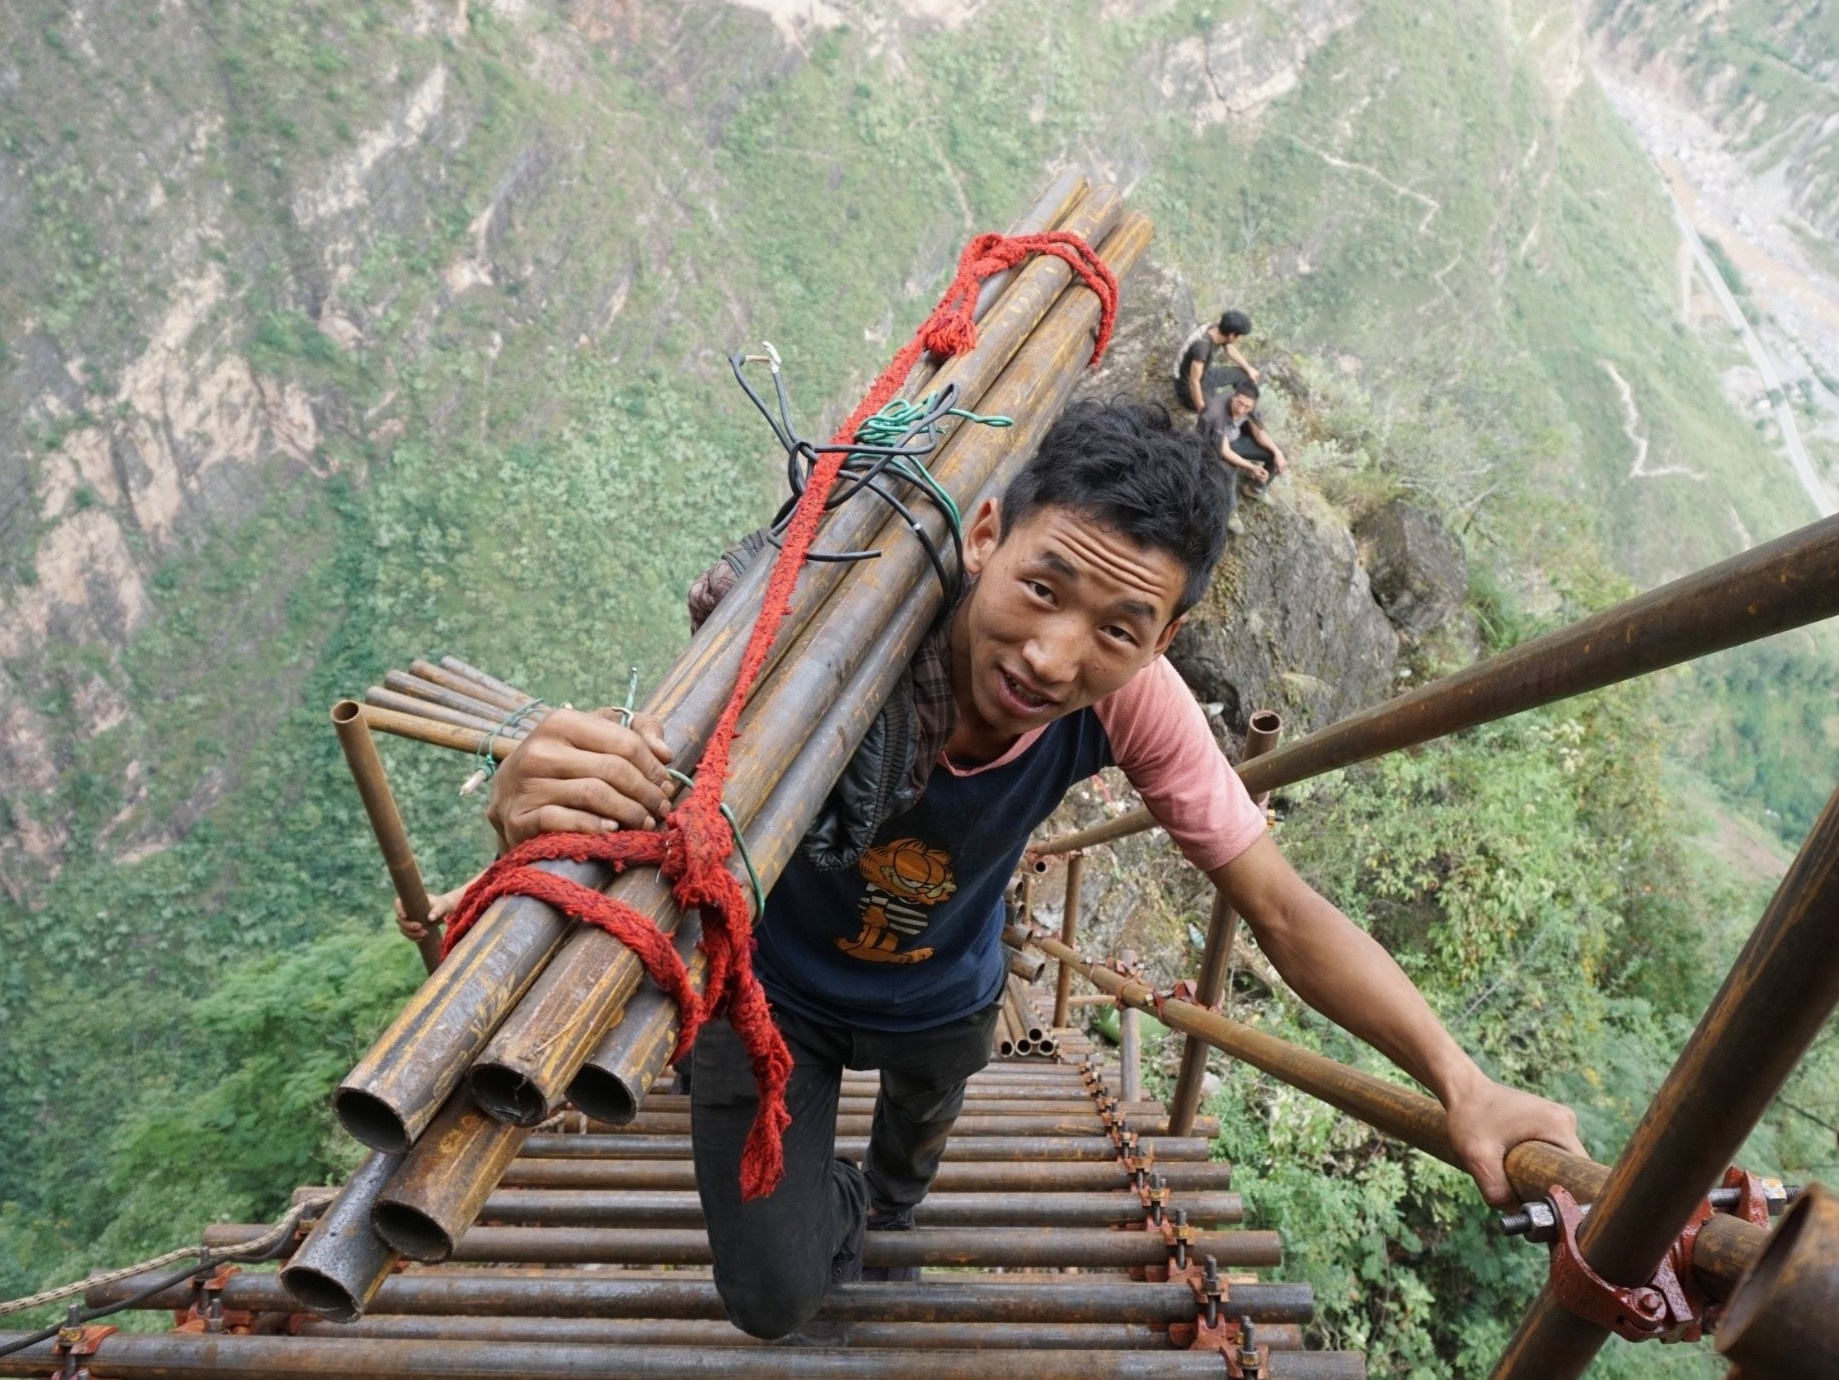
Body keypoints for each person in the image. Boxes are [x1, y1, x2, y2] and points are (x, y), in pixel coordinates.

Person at [484, 400, 1583, 1341]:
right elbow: (652, 788)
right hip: (771, 996)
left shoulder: (1133, 701)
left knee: (902, 1190)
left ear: (1168, 636)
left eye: (1119, 626)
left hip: (946, 993)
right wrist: (538, 812)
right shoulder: (831, 638)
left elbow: (1284, 912)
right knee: (772, 1296)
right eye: (1043, 588)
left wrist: (1460, 1080)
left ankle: (876, 1208)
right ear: (989, 535)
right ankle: (827, 1215)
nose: (1054, 657)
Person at [1201, 379, 1287, 506]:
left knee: (1279, 453)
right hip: (1214, 448)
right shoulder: (1218, 412)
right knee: (1229, 473)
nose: (1241, 410)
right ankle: (1228, 511)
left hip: (1236, 440)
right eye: (1239, 403)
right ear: (1233, 397)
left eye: (1247, 407)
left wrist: (1277, 452)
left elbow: (1258, 433)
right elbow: (1225, 452)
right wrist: (1251, 467)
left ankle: (1255, 489)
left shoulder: (1249, 405)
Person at [1173, 309, 1257, 413]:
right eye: (1239, 336)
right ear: (1231, 335)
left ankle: (1244, 410)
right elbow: (1193, 382)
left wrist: (1249, 368)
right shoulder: (1202, 347)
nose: (1240, 339)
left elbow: (1229, 348)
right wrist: (1203, 412)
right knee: (1218, 411)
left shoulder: (1216, 328)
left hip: (1204, 375)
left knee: (1246, 376)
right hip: (1187, 388)